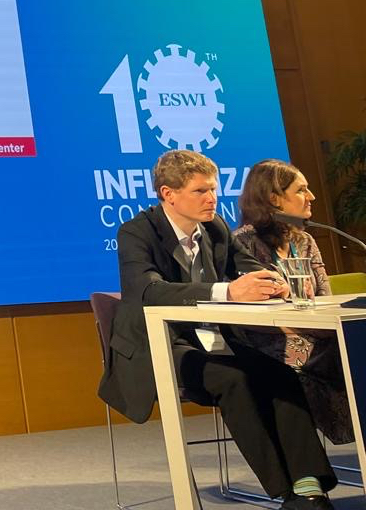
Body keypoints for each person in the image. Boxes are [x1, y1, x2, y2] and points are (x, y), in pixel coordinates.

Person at [98, 149, 337, 510]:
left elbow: (249, 266)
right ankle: (286, 493)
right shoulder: (136, 231)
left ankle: (309, 486)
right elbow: (148, 290)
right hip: (159, 344)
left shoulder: (215, 227)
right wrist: (227, 291)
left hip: (212, 339)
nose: (211, 198)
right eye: (200, 191)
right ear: (168, 194)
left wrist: (275, 283)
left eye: (213, 189)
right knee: (233, 380)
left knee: (281, 374)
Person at [234, 159, 354, 444]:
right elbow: (247, 313)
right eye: (301, 190)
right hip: (269, 340)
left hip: (317, 333)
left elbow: (325, 298)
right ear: (274, 198)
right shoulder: (242, 243)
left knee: (354, 349)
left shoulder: (305, 241)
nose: (311, 196)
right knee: (345, 356)